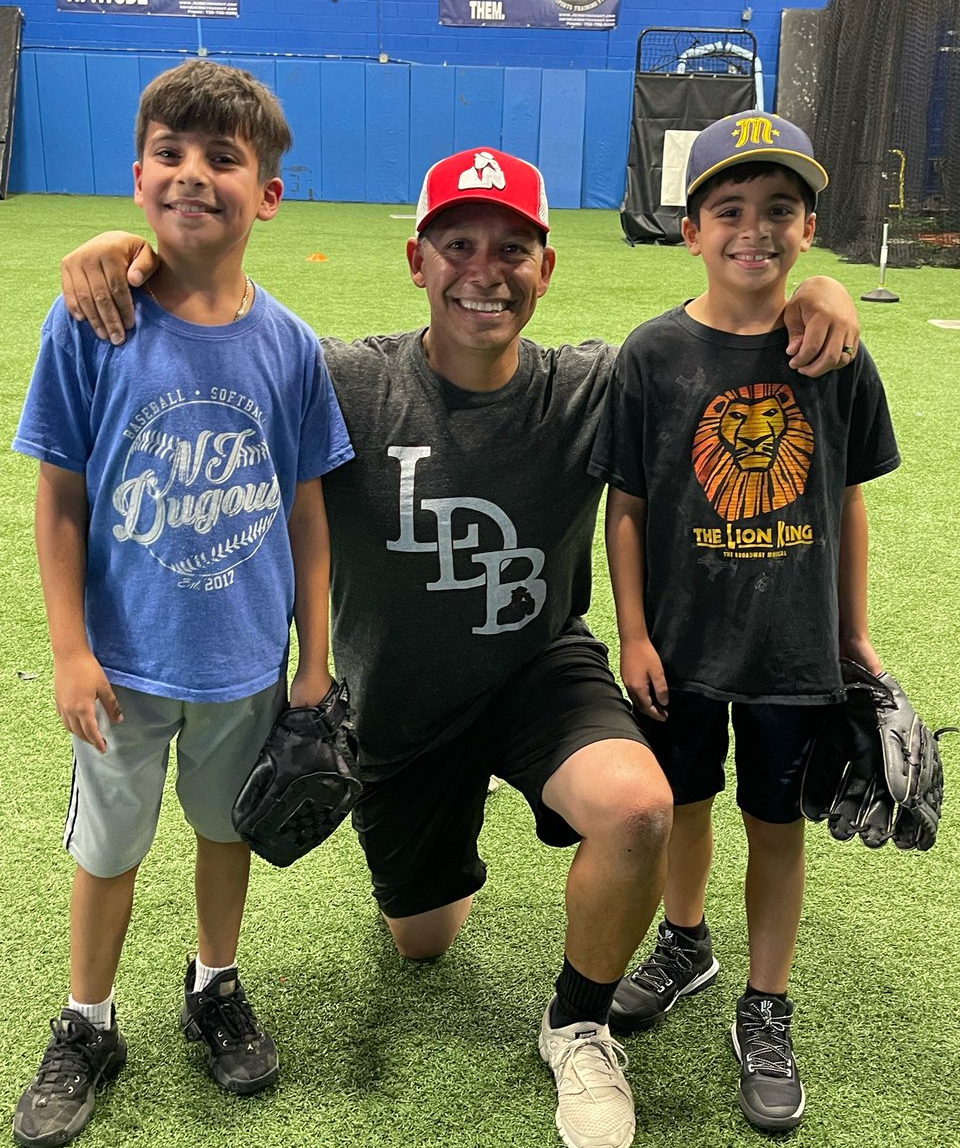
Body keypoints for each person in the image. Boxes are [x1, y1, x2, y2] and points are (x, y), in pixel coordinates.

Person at [56, 144, 862, 1148]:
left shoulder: (593, 387)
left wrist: (818, 291)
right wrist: (122, 249)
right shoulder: (343, 381)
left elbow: (717, 341)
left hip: (540, 679)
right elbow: (229, 324)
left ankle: (577, 1026)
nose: (486, 270)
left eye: (512, 249)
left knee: (640, 808)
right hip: (400, 705)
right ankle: (453, 821)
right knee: (423, 943)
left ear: (547, 269)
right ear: (418, 260)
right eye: (459, 245)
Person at [11, 60, 353, 1148]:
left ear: (269, 194)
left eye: (222, 158)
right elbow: (58, 501)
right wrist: (69, 649)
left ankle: (214, 984)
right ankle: (87, 1021)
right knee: (108, 847)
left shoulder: (290, 344)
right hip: (122, 658)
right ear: (137, 172)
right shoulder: (93, 322)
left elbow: (306, 509)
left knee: (223, 833)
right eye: (170, 152)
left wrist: (314, 656)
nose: (192, 175)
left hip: (245, 658)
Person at [589, 112, 900, 1132]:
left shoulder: (833, 350)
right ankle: (688, 940)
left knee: (777, 828)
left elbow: (848, 493)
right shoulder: (654, 353)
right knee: (683, 804)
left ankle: (766, 1007)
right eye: (730, 210)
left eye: (779, 210)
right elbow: (626, 506)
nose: (754, 230)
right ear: (690, 230)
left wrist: (854, 635)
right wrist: (633, 634)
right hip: (681, 641)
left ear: (809, 228)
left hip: (790, 646)